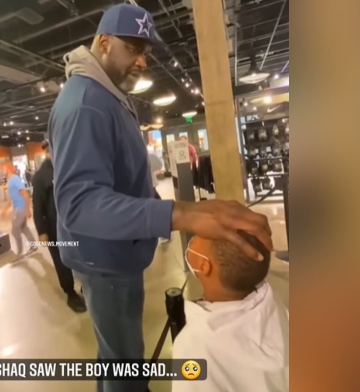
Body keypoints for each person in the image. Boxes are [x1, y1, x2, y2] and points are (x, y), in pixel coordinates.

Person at [48, 4, 273, 392]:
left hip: (121, 253)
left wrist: (153, 197)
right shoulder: (85, 105)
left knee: (116, 354)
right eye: (133, 48)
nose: (142, 60)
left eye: (146, 51)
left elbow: (123, 170)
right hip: (105, 261)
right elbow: (78, 205)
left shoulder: (110, 94)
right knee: (124, 364)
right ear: (103, 43)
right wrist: (179, 213)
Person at [171, 232, 289, 392]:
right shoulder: (274, 305)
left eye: (197, 237)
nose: (191, 240)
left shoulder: (193, 344)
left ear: (204, 266)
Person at [31, 142, 87, 313]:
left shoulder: (69, 168)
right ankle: (70, 292)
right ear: (47, 152)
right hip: (55, 228)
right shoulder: (41, 177)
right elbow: (38, 206)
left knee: (82, 255)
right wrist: (42, 232)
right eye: (51, 150)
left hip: (76, 223)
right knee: (61, 261)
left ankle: (86, 285)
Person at [0, 162, 37, 257]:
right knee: (23, 228)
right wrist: (4, 210)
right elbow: (10, 199)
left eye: (3, 169)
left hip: (21, 208)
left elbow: (25, 194)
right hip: (18, 208)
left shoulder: (15, 179)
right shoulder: (9, 181)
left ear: (8, 169)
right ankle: (33, 245)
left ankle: (20, 252)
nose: (1, 171)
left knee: (15, 230)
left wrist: (27, 209)